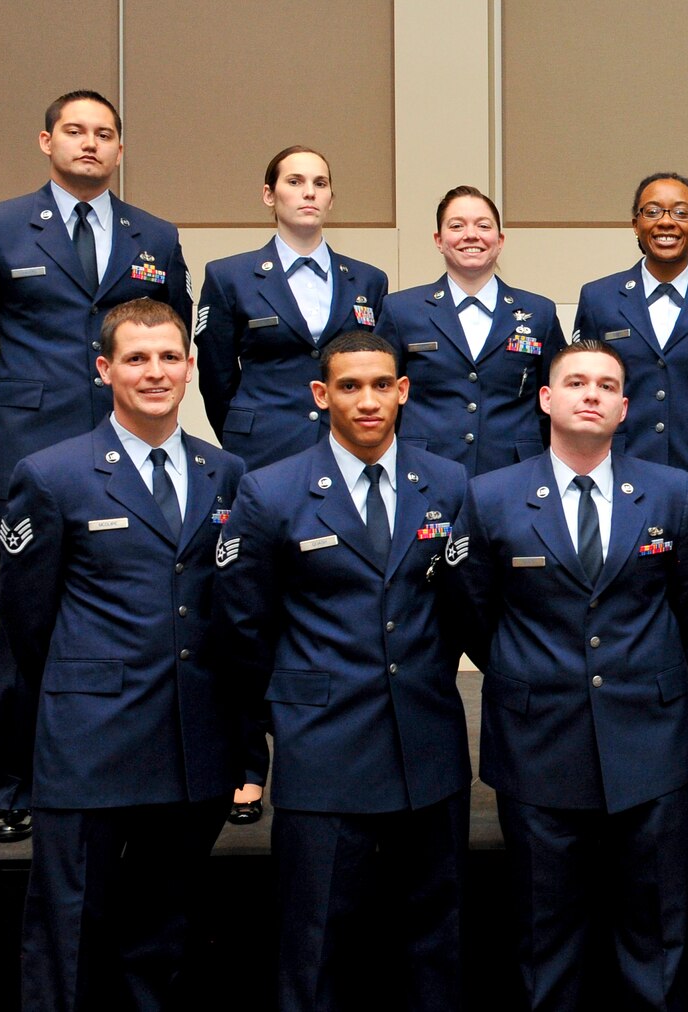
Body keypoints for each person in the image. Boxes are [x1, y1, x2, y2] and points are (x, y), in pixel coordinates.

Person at [0, 90, 191, 843]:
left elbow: (170, 335)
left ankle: (122, 770)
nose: (90, 144)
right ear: (46, 140)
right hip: (32, 461)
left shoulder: (156, 235)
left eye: (104, 134)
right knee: (28, 625)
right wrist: (14, 413)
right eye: (75, 131)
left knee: (138, 616)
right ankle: (17, 786)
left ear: (119, 149)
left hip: (134, 457)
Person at [0, 299, 242, 1011]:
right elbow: (27, 621)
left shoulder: (226, 472)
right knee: (68, 932)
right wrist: (84, 691)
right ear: (104, 370)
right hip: (90, 744)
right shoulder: (51, 475)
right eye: (136, 358)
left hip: (193, 745)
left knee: (163, 937)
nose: (155, 372)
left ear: (191, 368)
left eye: (169, 357)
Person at [211, 332, 470, 1012]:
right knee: (317, 946)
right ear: (322, 395)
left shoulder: (446, 482)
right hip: (323, 749)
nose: (368, 400)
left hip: (427, 746)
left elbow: (462, 608)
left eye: (382, 385)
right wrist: (289, 710)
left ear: (404, 391)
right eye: (350, 387)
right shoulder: (269, 491)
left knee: (433, 946)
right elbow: (243, 625)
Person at [453, 339, 688, 1010]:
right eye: (575, 382)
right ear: (546, 398)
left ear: (625, 408)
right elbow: (476, 613)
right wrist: (531, 671)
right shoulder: (490, 497)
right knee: (547, 937)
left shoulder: (672, 491)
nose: (589, 394)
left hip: (649, 742)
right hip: (538, 743)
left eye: (605, 385)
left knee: (655, 936)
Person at [196, 145, 390, 470]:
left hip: (348, 441)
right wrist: (242, 429)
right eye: (295, 182)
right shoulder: (229, 277)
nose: (309, 193)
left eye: (320, 184)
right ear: (269, 195)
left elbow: (379, 368)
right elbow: (217, 378)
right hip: (263, 444)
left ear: (331, 199)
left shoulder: (369, 280)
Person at [573, 172, 688, 491]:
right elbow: (583, 389)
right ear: (635, 224)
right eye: (653, 211)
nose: (666, 222)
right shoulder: (598, 299)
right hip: (621, 465)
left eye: (681, 212)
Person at [378, 184, 564, 477]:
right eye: (457, 226)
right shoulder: (401, 311)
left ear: (500, 240)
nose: (471, 235)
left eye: (483, 225)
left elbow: (557, 402)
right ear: (439, 240)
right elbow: (381, 397)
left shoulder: (539, 312)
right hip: (424, 471)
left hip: (517, 471)